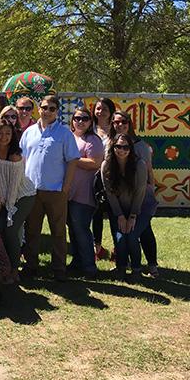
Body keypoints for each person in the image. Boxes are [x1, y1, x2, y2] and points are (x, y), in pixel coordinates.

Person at [19, 95, 80, 280]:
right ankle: (31, 266)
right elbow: (22, 159)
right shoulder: (29, 132)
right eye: (44, 107)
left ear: (57, 112)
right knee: (31, 230)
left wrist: (65, 187)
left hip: (56, 190)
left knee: (58, 232)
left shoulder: (64, 134)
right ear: (39, 108)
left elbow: (72, 160)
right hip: (31, 190)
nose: (47, 111)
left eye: (52, 108)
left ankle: (59, 268)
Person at [0, 120, 36, 282]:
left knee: (10, 230)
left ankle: (13, 270)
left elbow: (14, 186)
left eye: (8, 133)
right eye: (0, 133)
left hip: (22, 196)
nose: (4, 137)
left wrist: (9, 210)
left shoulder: (15, 155)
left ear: (13, 135)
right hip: (2, 197)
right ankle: (0, 267)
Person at [109, 110, 159, 277]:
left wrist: (151, 190)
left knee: (143, 231)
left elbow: (149, 171)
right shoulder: (110, 142)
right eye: (116, 122)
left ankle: (152, 265)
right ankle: (123, 264)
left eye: (123, 121)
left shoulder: (140, 146)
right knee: (121, 231)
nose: (120, 125)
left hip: (141, 197)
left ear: (129, 124)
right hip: (121, 197)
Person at [67, 107, 104, 278]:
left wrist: (72, 159)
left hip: (84, 193)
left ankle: (89, 266)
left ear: (90, 122)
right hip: (68, 192)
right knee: (73, 229)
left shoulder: (93, 140)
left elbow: (95, 163)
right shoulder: (69, 137)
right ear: (72, 120)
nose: (80, 121)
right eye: (77, 118)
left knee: (81, 229)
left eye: (85, 118)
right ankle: (77, 262)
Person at [91, 97, 116, 261]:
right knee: (96, 213)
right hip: (92, 177)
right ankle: (97, 248)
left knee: (114, 213)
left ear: (111, 112)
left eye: (105, 109)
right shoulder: (90, 129)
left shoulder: (116, 130)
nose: (101, 112)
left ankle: (117, 249)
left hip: (112, 178)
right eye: (98, 108)